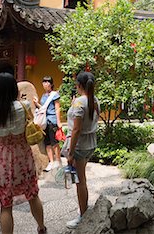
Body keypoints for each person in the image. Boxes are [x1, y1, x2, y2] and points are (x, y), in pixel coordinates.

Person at [0, 72, 46, 234]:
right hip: (22, 159)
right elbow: (31, 120)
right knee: (33, 196)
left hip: (1, 162)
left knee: (5, 205)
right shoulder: (23, 107)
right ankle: (41, 227)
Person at [63, 71, 100, 229]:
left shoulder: (79, 102)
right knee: (82, 179)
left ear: (79, 85)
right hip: (90, 143)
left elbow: (76, 129)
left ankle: (83, 215)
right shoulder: (94, 100)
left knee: (80, 182)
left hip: (79, 146)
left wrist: (70, 153)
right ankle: (83, 208)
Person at [33, 76, 62, 171]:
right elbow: (43, 108)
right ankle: (51, 161)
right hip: (44, 121)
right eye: (44, 82)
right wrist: (37, 104)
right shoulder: (43, 96)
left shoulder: (55, 95)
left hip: (52, 120)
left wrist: (58, 122)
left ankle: (58, 161)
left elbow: (57, 108)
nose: (45, 84)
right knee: (47, 142)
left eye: (47, 82)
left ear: (51, 84)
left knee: (54, 142)